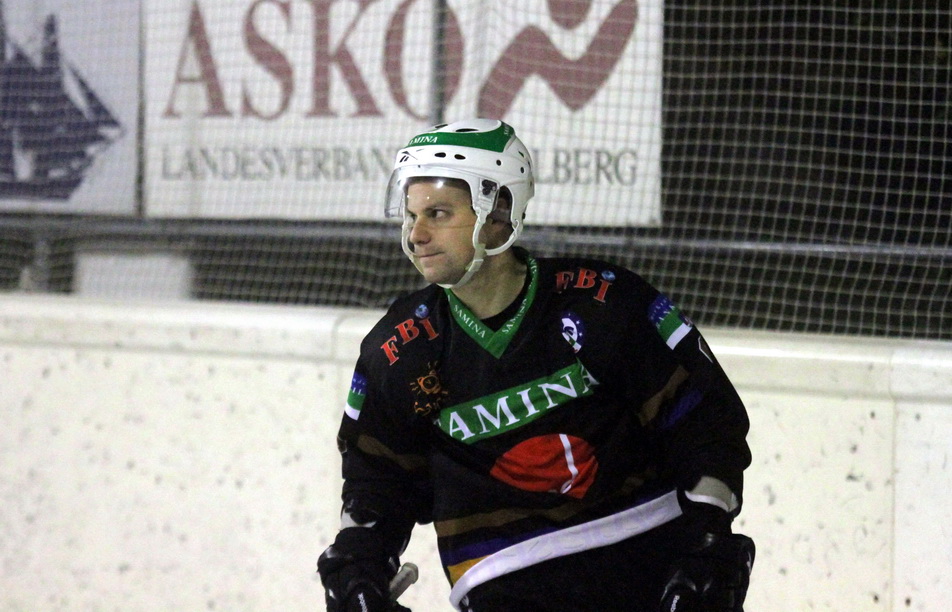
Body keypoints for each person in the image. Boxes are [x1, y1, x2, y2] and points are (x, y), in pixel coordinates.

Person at [318, 118, 755, 612]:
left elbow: (705, 424)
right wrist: (358, 563)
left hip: (650, 549)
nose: (416, 234)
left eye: (437, 213)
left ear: (499, 215)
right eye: (411, 214)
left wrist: (708, 539)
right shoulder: (400, 350)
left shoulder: (604, 304)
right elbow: (378, 480)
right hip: (503, 576)